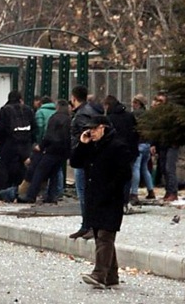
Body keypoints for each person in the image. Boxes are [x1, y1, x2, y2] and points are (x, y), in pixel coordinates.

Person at [71, 115, 132, 289]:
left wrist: (111, 190)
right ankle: (111, 275)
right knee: (100, 234)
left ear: (103, 127)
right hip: (94, 198)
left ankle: (99, 274)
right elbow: (75, 162)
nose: (91, 132)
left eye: (94, 129)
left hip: (111, 198)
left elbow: (125, 174)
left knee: (105, 235)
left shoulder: (117, 146)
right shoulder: (92, 146)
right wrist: (82, 144)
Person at [20, 100, 71, 203]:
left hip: (51, 149)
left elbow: (49, 135)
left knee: (40, 172)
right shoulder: (68, 119)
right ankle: (52, 196)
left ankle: (31, 195)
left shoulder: (54, 118)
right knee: (54, 173)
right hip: (62, 152)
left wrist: (42, 146)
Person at [68, 85, 99, 239]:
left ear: (74, 98)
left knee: (84, 193)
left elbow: (85, 138)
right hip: (86, 159)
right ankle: (87, 225)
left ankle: (88, 225)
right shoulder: (90, 111)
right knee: (85, 192)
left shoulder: (81, 115)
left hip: (83, 159)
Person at [0, 90, 37, 200]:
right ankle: (20, 194)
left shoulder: (5, 110)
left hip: (9, 147)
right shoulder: (28, 109)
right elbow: (34, 128)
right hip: (25, 147)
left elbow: (1, 129)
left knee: (4, 171)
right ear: (20, 99)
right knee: (22, 172)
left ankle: (4, 194)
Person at [102, 95, 139, 208]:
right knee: (127, 176)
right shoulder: (129, 116)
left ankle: (115, 201)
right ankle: (125, 201)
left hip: (114, 152)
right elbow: (136, 132)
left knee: (113, 176)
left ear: (107, 106)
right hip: (130, 151)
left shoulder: (109, 118)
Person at [130, 94, 155, 200]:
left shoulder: (133, 115)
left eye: (134, 103)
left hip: (138, 144)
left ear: (137, 103)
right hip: (147, 144)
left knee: (136, 168)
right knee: (145, 168)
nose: (132, 105)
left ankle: (134, 193)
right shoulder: (149, 115)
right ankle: (151, 190)